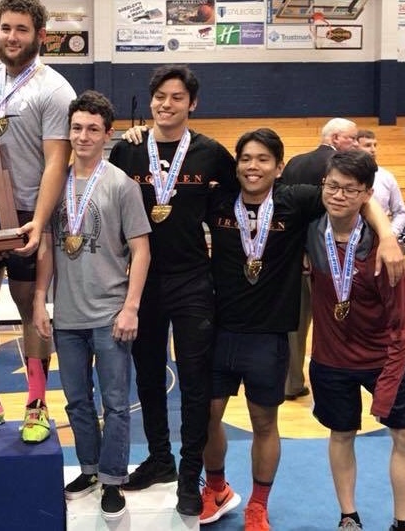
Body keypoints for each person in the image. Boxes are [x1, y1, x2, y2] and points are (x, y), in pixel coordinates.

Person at [203, 128, 402, 529]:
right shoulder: (219, 200)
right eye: (246, 158)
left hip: (270, 336)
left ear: (280, 168)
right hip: (219, 330)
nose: (253, 166)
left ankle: (259, 504)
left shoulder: (296, 201)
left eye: (263, 159)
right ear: (236, 165)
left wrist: (387, 237)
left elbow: (359, 199)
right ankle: (217, 488)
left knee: (264, 423)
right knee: (208, 418)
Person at [109, 64, 239, 516]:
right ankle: (160, 458)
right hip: (140, 282)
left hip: (191, 280)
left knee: (194, 381)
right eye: (160, 96)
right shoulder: (126, 152)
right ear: (151, 101)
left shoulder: (212, 154)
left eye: (177, 97)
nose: (167, 104)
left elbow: (229, 219)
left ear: (193, 103)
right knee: (147, 374)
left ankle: (190, 472)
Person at [0, 0, 75, 444]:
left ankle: (38, 404)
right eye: (5, 28)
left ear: (40, 35)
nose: (12, 37)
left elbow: (57, 162)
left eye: (21, 29)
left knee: (31, 309)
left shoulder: (55, 89)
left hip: (27, 214)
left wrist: (39, 222)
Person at [33, 90, 150, 520]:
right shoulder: (55, 183)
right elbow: (46, 245)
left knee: (116, 402)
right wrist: (39, 304)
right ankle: (88, 468)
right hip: (66, 315)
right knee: (77, 401)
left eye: (92, 129)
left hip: (109, 312)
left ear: (107, 134)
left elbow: (141, 251)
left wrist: (131, 307)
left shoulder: (120, 184)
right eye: (77, 128)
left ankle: (113, 478)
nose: (83, 136)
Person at [305, 150, 405, 531]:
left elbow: (403, 325)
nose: (338, 195)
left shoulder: (386, 253)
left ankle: (404, 520)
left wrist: (386, 234)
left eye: (350, 190)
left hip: (383, 357)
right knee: (341, 433)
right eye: (332, 186)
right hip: (330, 360)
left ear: (367, 194)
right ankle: (348, 516)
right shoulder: (310, 233)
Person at [280, 118, 359, 401]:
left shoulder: (295, 163)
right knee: (336, 319)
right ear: (336, 138)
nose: (356, 144)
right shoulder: (343, 169)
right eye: (353, 139)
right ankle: (338, 380)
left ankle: (291, 382)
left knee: (296, 324)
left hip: (294, 257)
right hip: (332, 258)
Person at [356, 129, 405, 238]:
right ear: (356, 148)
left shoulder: (387, 177)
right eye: (368, 145)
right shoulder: (347, 175)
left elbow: (400, 212)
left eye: (375, 145)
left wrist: (391, 234)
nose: (373, 150)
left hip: (380, 237)